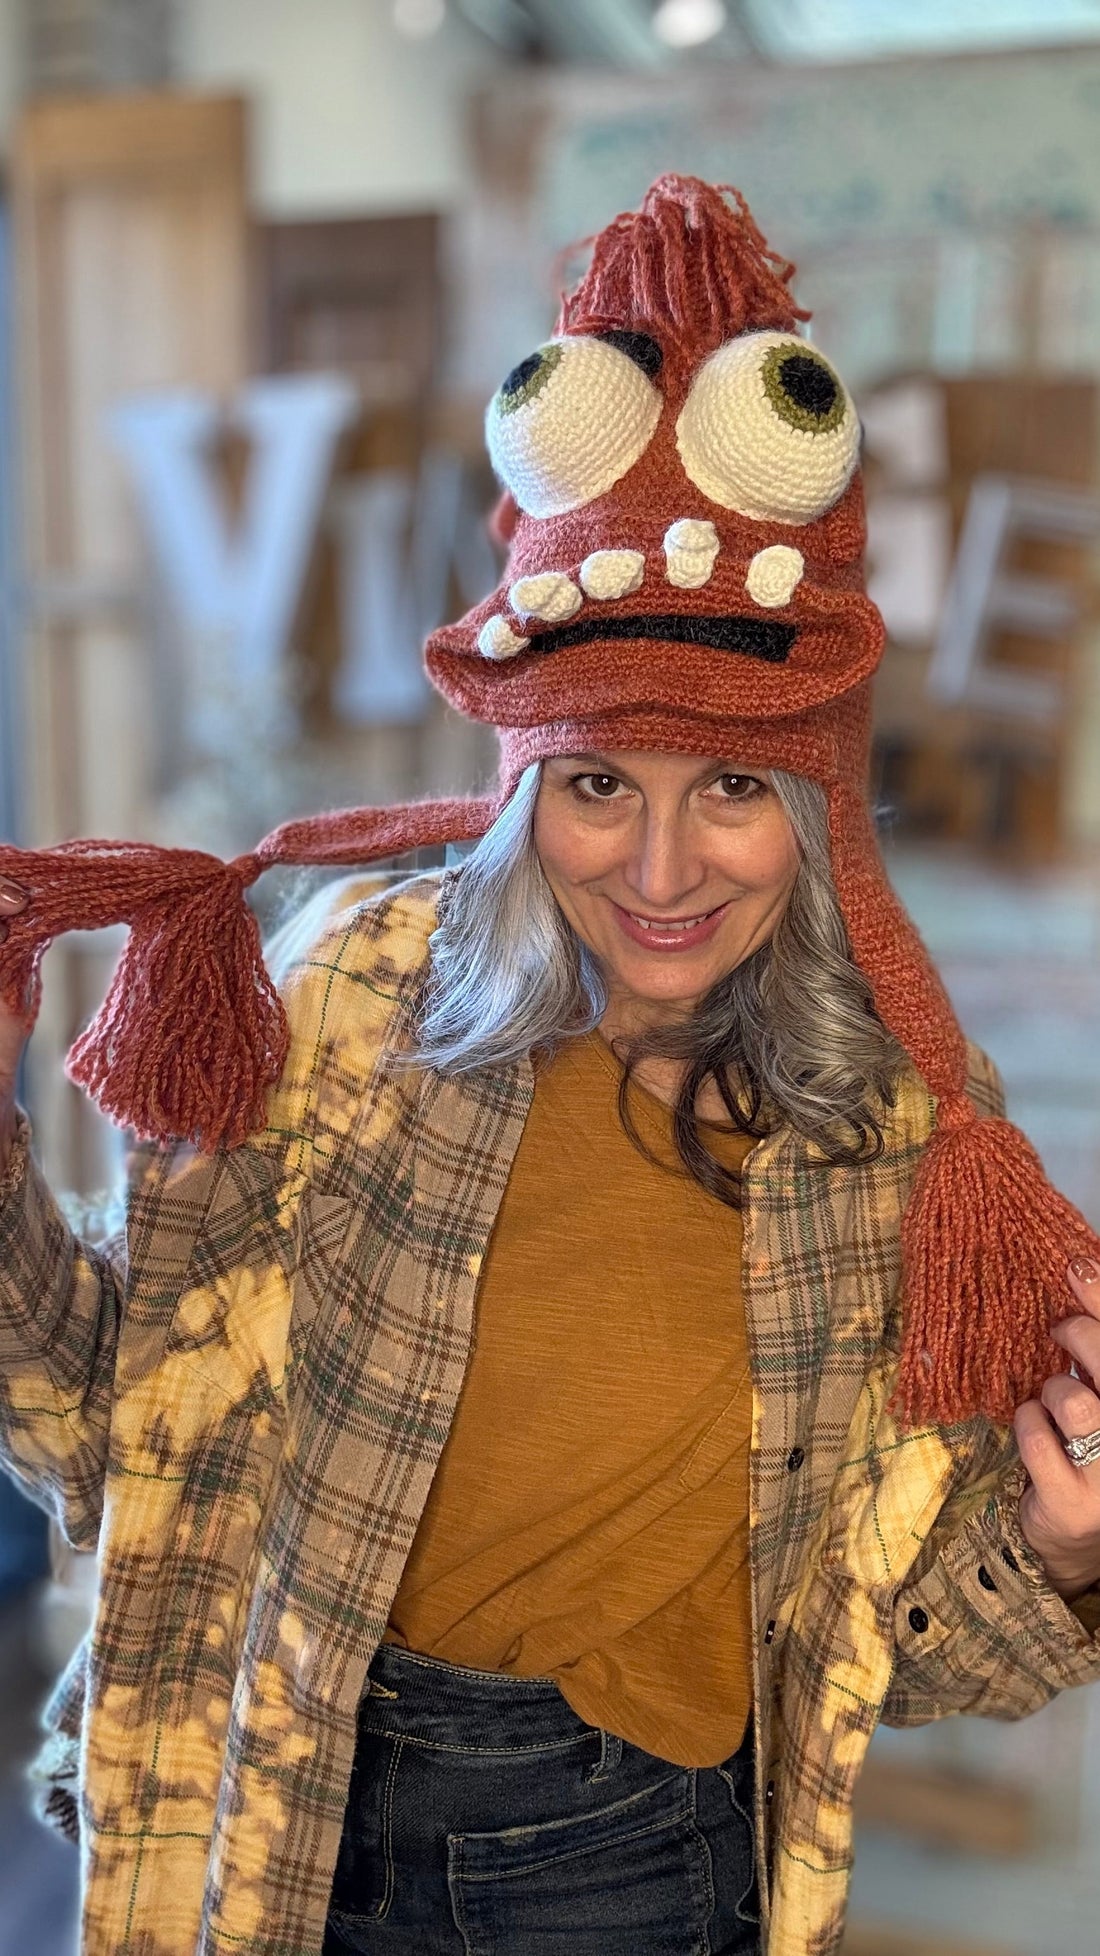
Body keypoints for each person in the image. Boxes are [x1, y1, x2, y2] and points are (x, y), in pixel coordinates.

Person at [2, 174, 1100, 1956]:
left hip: (620, 1868)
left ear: (818, 807)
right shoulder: (352, 1000)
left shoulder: (896, 1122)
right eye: (599, 787)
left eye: (732, 788)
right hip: (267, 1824)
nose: (661, 872)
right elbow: (109, 1428)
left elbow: (879, 1659)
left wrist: (1062, 1551)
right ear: (522, 791)